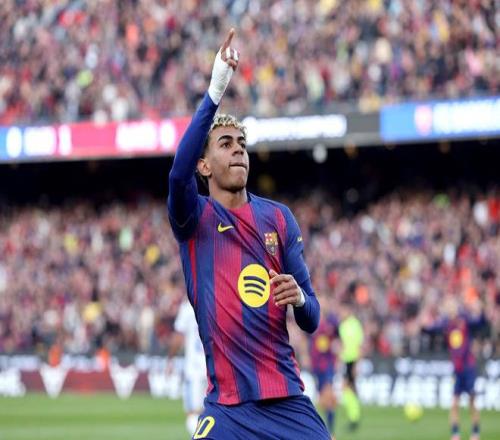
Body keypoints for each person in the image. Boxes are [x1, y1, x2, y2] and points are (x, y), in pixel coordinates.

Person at [167, 28, 330, 440]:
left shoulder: (278, 219)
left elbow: (312, 318)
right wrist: (215, 89)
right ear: (204, 166)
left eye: (241, 142)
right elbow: (176, 175)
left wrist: (300, 297)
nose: (238, 148)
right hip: (227, 409)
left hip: (286, 403)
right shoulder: (194, 218)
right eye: (225, 144)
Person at [421, 297, 487, 440]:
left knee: (472, 401)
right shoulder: (446, 324)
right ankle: (455, 434)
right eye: (447, 307)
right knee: (454, 403)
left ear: (456, 308)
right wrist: (424, 324)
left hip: (468, 367)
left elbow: (481, 322)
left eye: (451, 306)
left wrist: (481, 310)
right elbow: (431, 329)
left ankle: (475, 433)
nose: (450, 309)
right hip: (457, 370)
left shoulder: (465, 320)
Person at [168, 300, 208, 436]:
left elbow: (178, 337)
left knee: (192, 413)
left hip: (194, 369)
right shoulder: (212, 302)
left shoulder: (187, 308)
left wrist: (170, 359)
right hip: (212, 367)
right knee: (210, 411)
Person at [308, 295, 338, 436]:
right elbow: (309, 341)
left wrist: (337, 357)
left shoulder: (332, 323)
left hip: (327, 365)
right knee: (322, 399)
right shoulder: (312, 321)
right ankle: (324, 430)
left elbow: (337, 342)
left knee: (328, 396)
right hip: (316, 366)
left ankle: (330, 431)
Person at [338, 300, 364, 431]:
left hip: (353, 361)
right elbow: (343, 346)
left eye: (343, 311)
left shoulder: (355, 325)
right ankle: (353, 417)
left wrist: (357, 364)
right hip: (346, 361)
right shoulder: (342, 325)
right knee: (347, 389)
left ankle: (354, 417)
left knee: (349, 389)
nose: (341, 313)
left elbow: (360, 346)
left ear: (348, 310)